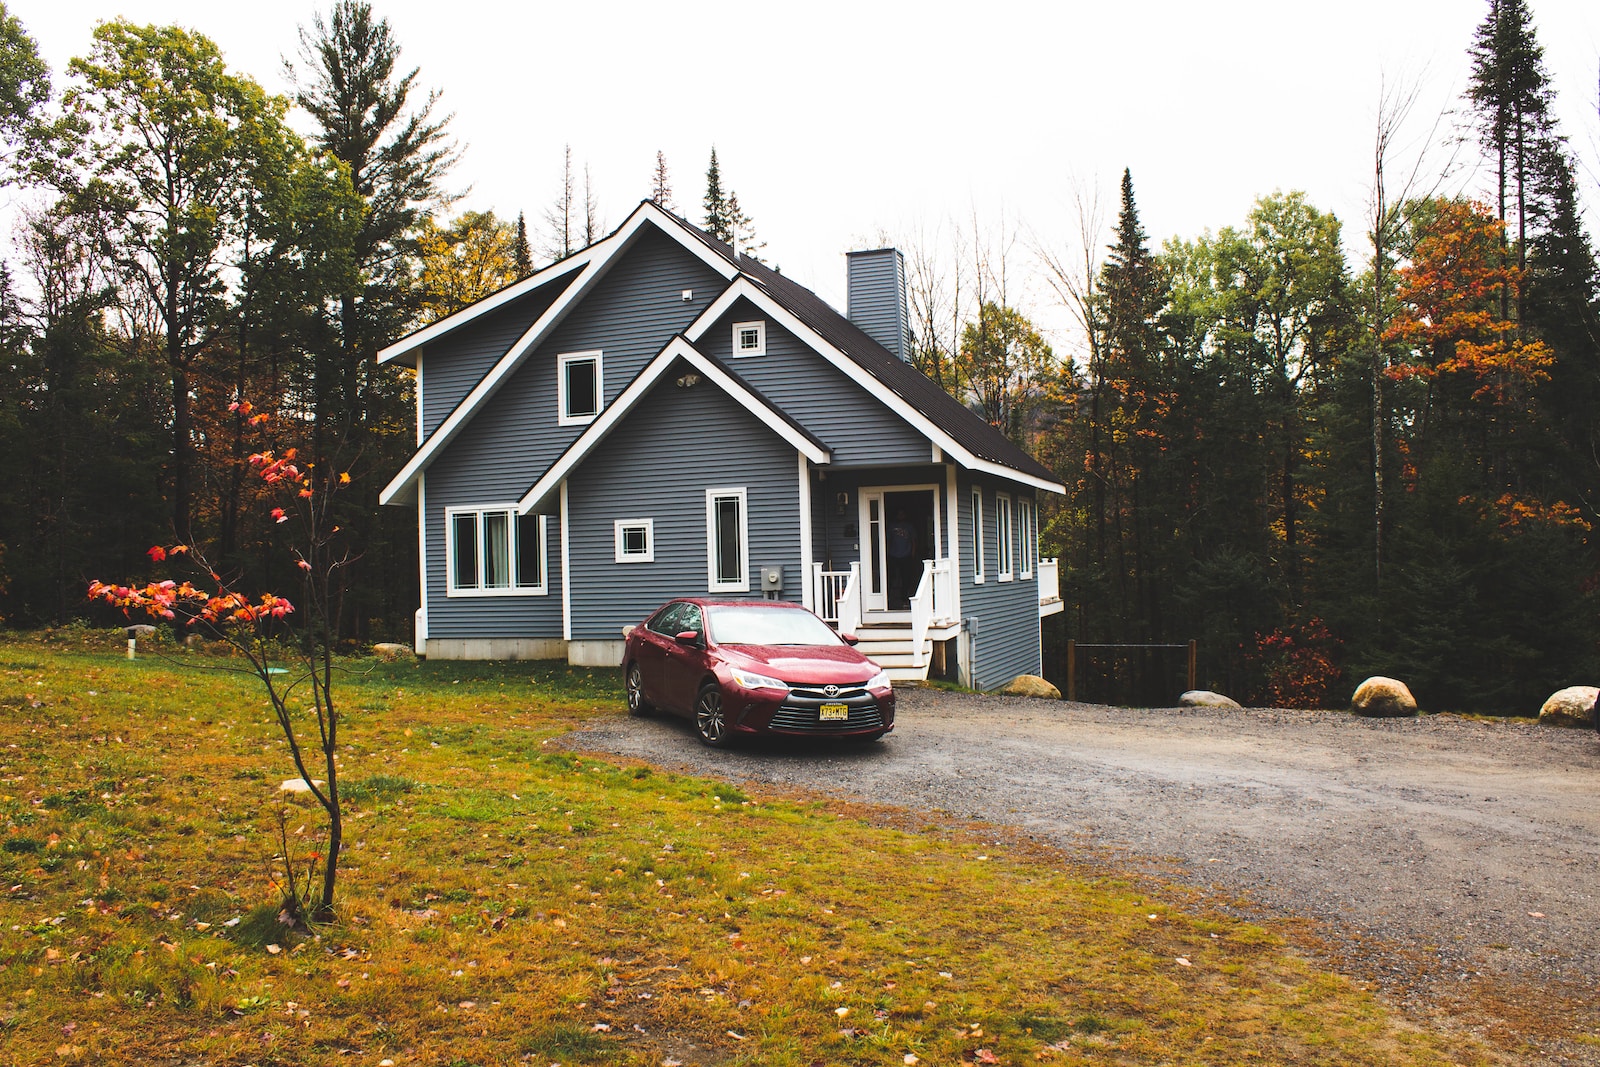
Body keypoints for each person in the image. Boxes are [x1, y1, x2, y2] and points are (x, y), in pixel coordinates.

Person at [887, 508, 917, 609]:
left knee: (906, 578)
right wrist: (887, 553)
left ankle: (905, 598)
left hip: (906, 555)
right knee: (892, 577)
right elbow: (888, 540)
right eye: (899, 514)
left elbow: (913, 541)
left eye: (902, 514)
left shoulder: (909, 526)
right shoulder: (891, 526)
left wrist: (912, 554)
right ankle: (889, 599)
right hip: (893, 555)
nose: (900, 516)